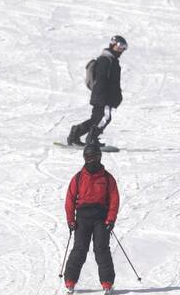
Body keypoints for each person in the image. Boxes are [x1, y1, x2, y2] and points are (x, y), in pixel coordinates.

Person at [63, 143, 120, 293]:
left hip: (101, 218)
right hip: (82, 218)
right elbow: (69, 199)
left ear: (99, 157)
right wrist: (71, 220)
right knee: (80, 248)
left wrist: (111, 219)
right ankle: (70, 281)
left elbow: (114, 199)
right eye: (87, 157)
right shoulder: (79, 177)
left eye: (93, 157)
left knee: (101, 249)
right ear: (84, 158)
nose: (91, 161)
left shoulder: (107, 178)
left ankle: (107, 283)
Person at [67, 35, 128, 147]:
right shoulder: (106, 59)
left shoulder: (111, 60)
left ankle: (75, 133)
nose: (121, 50)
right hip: (104, 96)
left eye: (123, 48)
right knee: (105, 118)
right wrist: (107, 97)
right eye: (119, 46)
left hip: (101, 95)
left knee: (96, 119)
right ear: (112, 44)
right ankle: (92, 139)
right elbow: (102, 80)